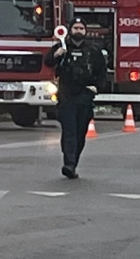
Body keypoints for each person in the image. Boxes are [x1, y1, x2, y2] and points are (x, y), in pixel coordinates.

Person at [44, 17, 107, 179]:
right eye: (75, 28)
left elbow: (102, 73)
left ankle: (74, 161)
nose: (78, 31)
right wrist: (57, 55)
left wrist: (97, 87)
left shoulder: (93, 51)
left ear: (85, 32)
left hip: (85, 97)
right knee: (69, 131)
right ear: (70, 30)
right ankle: (69, 164)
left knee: (80, 133)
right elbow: (48, 62)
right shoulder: (61, 48)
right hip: (66, 96)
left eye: (81, 28)